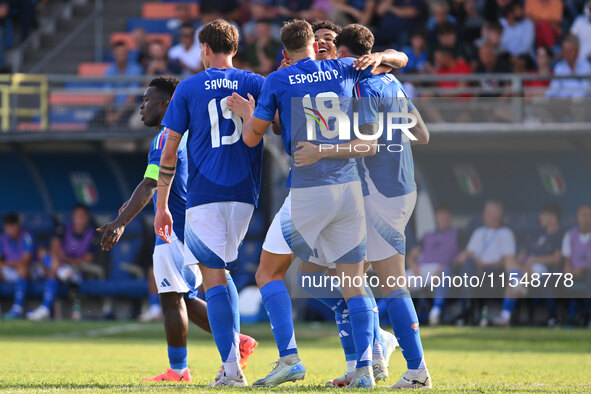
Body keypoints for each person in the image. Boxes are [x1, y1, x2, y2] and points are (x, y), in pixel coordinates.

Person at [227, 19, 407, 388]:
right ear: (315, 45)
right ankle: (365, 369)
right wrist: (382, 56)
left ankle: (290, 359)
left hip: (310, 191)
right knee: (349, 283)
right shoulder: (343, 67)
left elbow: (251, 138)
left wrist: (249, 114)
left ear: (285, 52)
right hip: (349, 191)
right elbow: (398, 60)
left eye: (331, 40)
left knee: (267, 273)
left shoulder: (281, 78)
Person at [293, 23, 431, 388]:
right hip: (402, 187)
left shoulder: (363, 84)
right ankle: (370, 354)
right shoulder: (391, 80)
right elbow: (422, 134)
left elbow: (367, 146)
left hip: (380, 192)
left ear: (341, 50)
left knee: (384, 284)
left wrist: (321, 150)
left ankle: (413, 369)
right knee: (341, 275)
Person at [97, 76, 259, 382]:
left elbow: (151, 182)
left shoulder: (166, 137)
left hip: (173, 225)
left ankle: (180, 368)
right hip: (198, 221)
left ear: (166, 104)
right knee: (186, 294)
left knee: (172, 296)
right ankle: (233, 342)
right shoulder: (194, 133)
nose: (141, 107)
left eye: (146, 100)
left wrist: (120, 223)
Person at [154, 19, 266, 387]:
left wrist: (162, 205)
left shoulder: (187, 88)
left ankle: (231, 369)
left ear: (204, 48)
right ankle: (232, 359)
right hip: (246, 194)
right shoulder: (255, 82)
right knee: (224, 274)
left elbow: (169, 148)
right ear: (235, 48)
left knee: (212, 280)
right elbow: (278, 125)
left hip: (205, 196)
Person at [310, 19, 403, 387]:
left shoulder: (356, 72)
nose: (321, 45)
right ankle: (373, 346)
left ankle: (364, 359)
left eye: (328, 40)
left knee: (347, 278)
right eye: (316, 39)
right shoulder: (307, 77)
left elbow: (401, 58)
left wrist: (380, 55)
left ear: (341, 48)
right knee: (330, 281)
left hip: (357, 190)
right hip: (322, 190)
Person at [27, 205, 99, 321]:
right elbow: (54, 245)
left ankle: (45, 308)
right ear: (73, 217)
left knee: (55, 271)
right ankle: (44, 308)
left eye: (82, 216)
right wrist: (57, 260)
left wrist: (64, 260)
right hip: (58, 266)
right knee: (43, 254)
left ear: (87, 218)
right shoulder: (64, 228)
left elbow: (87, 259)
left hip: (78, 270)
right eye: (77, 216)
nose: (80, 219)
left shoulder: (93, 233)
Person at [498, 203, 563, 327]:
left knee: (513, 279)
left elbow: (556, 259)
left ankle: (505, 315)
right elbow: (524, 252)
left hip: (545, 269)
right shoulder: (537, 233)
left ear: (553, 218)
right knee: (509, 260)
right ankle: (518, 286)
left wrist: (534, 259)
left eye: (543, 215)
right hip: (526, 267)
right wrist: (521, 258)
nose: (540, 218)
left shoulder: (559, 234)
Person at [456, 200, 517, 327]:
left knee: (473, 274)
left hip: (495, 270)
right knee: (467, 267)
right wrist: (465, 256)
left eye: (489, 212)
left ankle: (473, 313)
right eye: (485, 212)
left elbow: (507, 260)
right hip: (476, 269)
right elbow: (469, 252)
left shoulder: (505, 233)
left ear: (498, 215)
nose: (485, 215)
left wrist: (486, 264)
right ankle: (467, 312)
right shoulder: (479, 232)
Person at [407, 204, 460, 326]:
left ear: (450, 218)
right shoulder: (428, 235)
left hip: (441, 268)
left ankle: (435, 313)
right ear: (436, 217)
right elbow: (412, 255)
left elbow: (461, 256)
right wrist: (413, 266)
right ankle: (378, 315)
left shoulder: (457, 234)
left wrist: (443, 267)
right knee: (397, 286)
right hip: (421, 268)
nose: (442, 219)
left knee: (445, 274)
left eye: (445, 217)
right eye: (440, 217)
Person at [562, 205, 591, 328]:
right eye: (582, 215)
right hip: (574, 272)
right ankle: (570, 318)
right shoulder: (570, 234)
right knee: (561, 280)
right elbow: (567, 259)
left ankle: (586, 317)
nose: (585, 219)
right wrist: (569, 270)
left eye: (588, 216)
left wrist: (583, 269)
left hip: (588, 272)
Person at [0, 213, 34, 319]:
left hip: (29, 270)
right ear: (5, 227)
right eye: (8, 226)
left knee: (21, 267)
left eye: (13, 226)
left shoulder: (26, 236)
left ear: (18, 225)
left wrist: (7, 264)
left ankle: (17, 309)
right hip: (9, 271)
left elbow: (25, 260)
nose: (11, 229)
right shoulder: (2, 238)